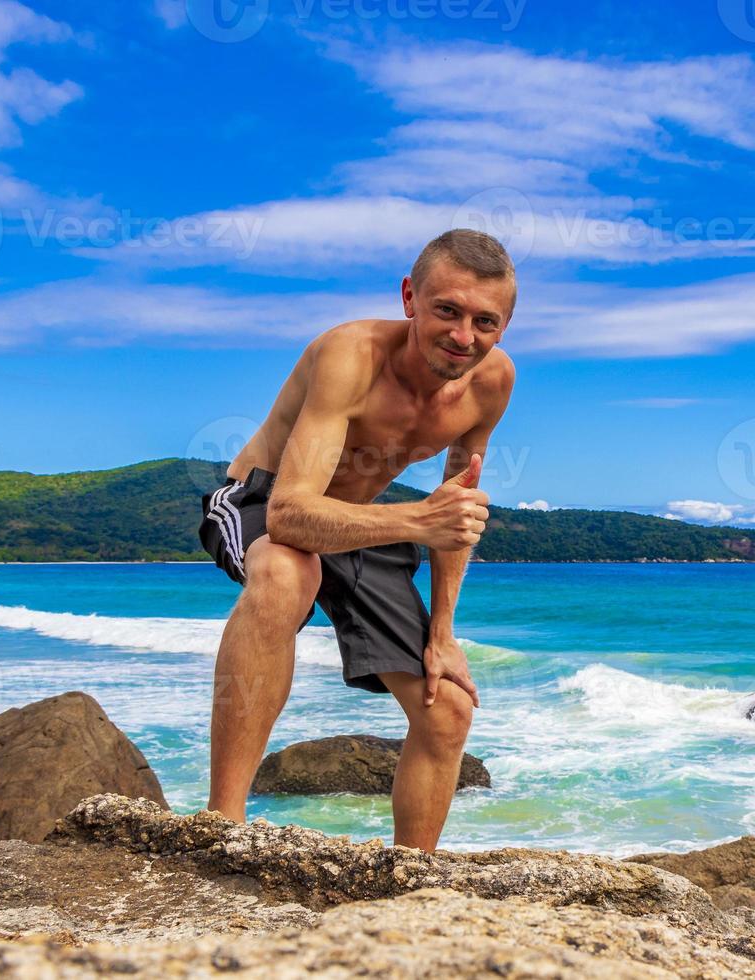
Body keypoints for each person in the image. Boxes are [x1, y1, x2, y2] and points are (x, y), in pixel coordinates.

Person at [197, 229, 516, 850]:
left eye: (485, 321)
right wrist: (416, 522)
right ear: (409, 298)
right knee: (290, 572)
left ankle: (411, 881)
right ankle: (221, 828)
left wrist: (444, 633)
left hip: (359, 520)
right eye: (446, 310)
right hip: (264, 497)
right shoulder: (351, 355)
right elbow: (290, 516)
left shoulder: (491, 383)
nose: (463, 336)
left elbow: (456, 511)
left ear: (505, 324)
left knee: (448, 707)